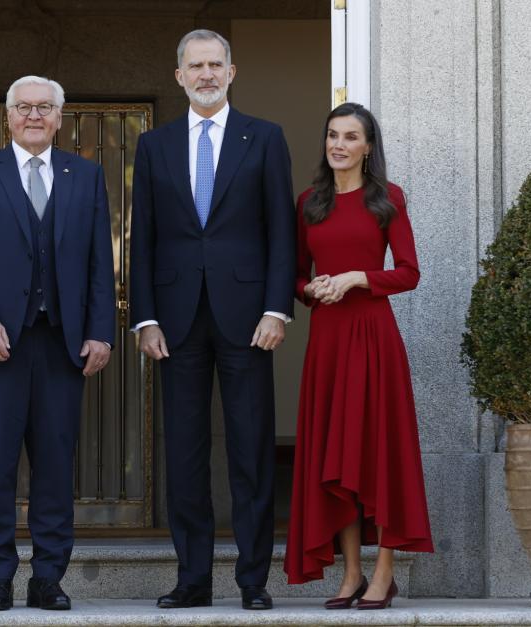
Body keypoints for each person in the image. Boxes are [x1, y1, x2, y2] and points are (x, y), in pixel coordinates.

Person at [129, 29, 295, 610]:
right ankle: (192, 578)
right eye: (195, 66)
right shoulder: (154, 145)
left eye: (215, 64)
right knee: (185, 453)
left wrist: (277, 307)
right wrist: (144, 318)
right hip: (175, 321)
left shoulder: (266, 138)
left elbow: (282, 231)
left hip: (249, 317)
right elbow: (142, 239)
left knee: (250, 452)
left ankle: (253, 580)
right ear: (179, 76)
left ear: (231, 72)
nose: (205, 74)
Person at [0, 75, 116, 612]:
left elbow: (98, 265)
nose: (34, 115)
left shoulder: (85, 175)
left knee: (55, 466)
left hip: (62, 345)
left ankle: (48, 578)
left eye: (45, 107)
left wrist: (100, 330)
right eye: (24, 107)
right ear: (8, 115)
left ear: (60, 117)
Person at [283, 102, 434, 609]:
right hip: (327, 340)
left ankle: (384, 573)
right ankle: (349, 575)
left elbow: (409, 272)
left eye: (350, 137)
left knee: (378, 453)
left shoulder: (387, 199)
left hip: (373, 339)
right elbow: (296, 275)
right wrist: (313, 289)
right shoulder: (309, 203)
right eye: (332, 135)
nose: (339, 145)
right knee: (336, 456)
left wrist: (359, 278)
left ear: (368, 147)